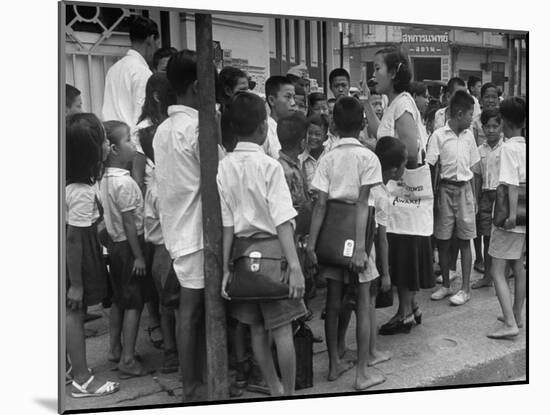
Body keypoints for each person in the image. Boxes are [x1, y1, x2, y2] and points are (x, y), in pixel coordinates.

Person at [218, 91, 307, 396]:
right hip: (273, 254)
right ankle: (289, 395)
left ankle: (273, 387)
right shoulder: (270, 166)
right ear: (262, 128)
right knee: (282, 331)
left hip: (244, 256)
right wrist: (295, 267)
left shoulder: (224, 167)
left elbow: (227, 223)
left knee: (256, 329)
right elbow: (283, 219)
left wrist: (227, 267)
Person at [153, 50, 221, 402]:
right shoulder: (196, 127)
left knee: (189, 311)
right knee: (192, 312)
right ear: (198, 86)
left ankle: (196, 381)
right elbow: (217, 175)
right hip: (196, 231)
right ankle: (192, 386)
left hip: (177, 229)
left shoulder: (163, 130)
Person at [307, 97, 385, 390]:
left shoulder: (327, 158)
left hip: (330, 236)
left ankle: (333, 364)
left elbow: (320, 206)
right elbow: (363, 203)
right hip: (359, 234)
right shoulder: (368, 157)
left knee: (333, 301)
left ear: (334, 126)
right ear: (363, 124)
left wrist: (312, 246)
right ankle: (362, 373)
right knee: (363, 303)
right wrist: (362, 248)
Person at [362, 47, 434, 334]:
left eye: (378, 68)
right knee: (403, 245)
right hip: (399, 193)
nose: (373, 73)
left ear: (394, 73)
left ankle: (404, 313)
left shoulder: (403, 105)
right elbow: (383, 136)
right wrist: (367, 104)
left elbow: (411, 151)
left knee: (402, 248)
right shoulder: (393, 102)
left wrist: (387, 162)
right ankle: (411, 308)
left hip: (402, 192)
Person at [66, 113, 119, 398]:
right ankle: (82, 379)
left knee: (66, 313)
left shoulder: (71, 183)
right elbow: (74, 239)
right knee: (72, 313)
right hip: (75, 261)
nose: (108, 144)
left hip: (74, 256)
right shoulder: (82, 191)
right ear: (90, 152)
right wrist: (76, 282)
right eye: (103, 140)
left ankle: (68, 368)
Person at [100, 120, 150, 378]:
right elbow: (130, 223)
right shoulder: (125, 183)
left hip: (116, 246)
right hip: (131, 248)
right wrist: (139, 256)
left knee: (120, 299)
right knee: (134, 303)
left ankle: (114, 349)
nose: (133, 145)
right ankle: (128, 358)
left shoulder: (105, 180)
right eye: (129, 139)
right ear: (115, 150)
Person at [427, 90, 480, 306]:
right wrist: (431, 199)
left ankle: (465, 288)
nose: (472, 119)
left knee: (465, 239)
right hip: (444, 191)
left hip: (465, 190)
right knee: (444, 240)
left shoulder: (469, 137)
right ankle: (447, 285)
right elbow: (430, 167)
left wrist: (474, 198)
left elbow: (475, 167)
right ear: (459, 113)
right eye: (470, 114)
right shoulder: (438, 136)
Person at [138, 126, 179, 373]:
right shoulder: (161, 187)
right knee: (171, 304)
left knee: (167, 304)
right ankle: (172, 351)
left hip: (161, 249)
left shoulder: (156, 184)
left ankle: (172, 349)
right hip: (165, 249)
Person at [487, 97, 526, 339]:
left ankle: (510, 323)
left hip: (510, 216)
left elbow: (510, 183)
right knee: (518, 266)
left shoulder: (509, 148)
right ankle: (517, 314)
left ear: (504, 122)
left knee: (497, 270)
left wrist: (510, 216)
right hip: (526, 213)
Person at [102, 15, 159, 130]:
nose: (157, 48)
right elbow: (142, 120)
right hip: (132, 143)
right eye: (157, 43)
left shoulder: (114, 69)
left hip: (113, 138)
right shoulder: (142, 72)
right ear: (151, 39)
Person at [471, 108, 503, 289]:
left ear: (501, 127)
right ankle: (487, 276)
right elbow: (477, 177)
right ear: (482, 127)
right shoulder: (479, 150)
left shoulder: (505, 148)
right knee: (486, 236)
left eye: (495, 126)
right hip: (485, 195)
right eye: (487, 126)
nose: (491, 130)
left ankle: (501, 274)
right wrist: (475, 199)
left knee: (501, 236)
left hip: (500, 196)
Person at [218, 66, 250, 152]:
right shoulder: (220, 117)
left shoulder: (246, 113)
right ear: (228, 91)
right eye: (243, 90)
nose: (247, 94)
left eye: (247, 89)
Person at [264, 75, 297, 159]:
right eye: (288, 97)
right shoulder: (264, 132)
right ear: (272, 100)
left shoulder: (295, 128)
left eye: (294, 97)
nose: (293, 103)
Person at [299, 114, 330, 193]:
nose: (313, 137)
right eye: (310, 133)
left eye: (317, 134)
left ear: (325, 137)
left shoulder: (330, 157)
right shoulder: (301, 159)